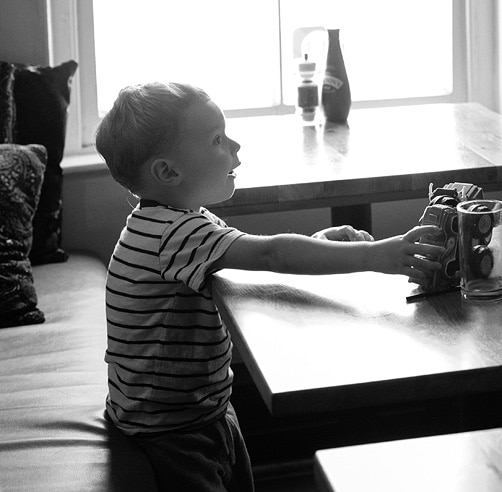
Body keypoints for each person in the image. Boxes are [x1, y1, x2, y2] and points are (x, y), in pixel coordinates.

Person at [94, 82, 444, 492]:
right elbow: (271, 256)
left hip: (200, 412)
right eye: (218, 140)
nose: (236, 147)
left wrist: (317, 244)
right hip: (172, 435)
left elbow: (247, 263)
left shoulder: (172, 222)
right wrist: (374, 257)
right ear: (168, 172)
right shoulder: (177, 232)